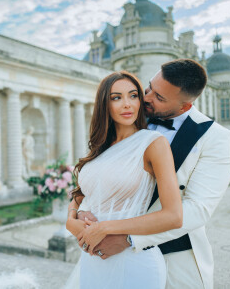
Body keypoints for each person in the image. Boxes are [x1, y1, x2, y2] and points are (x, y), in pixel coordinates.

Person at [76, 59, 230, 289]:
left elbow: (197, 209)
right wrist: (83, 212)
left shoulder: (217, 138)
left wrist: (130, 239)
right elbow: (97, 174)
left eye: (159, 98)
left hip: (175, 256)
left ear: (185, 106)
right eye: (149, 87)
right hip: (107, 250)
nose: (146, 98)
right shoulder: (129, 117)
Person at [65, 71, 183, 289]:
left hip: (134, 261)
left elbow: (174, 216)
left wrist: (105, 228)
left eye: (133, 95)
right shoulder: (99, 148)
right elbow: (80, 196)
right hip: (93, 261)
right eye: (116, 98)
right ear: (104, 104)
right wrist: (72, 220)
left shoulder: (153, 143)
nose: (127, 104)